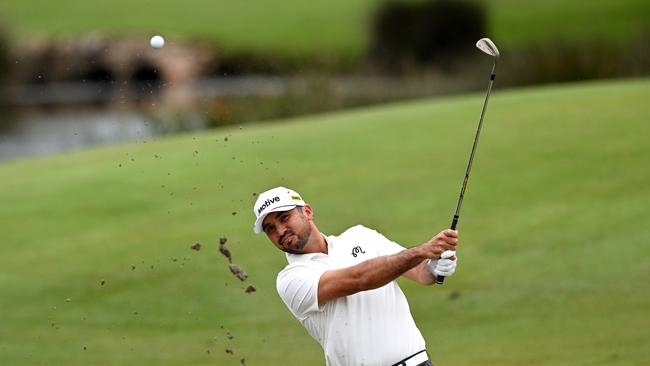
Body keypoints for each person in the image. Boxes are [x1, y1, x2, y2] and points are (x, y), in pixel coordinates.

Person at [252, 187, 458, 366]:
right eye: (270, 229)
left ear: (307, 212)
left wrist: (434, 267)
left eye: (284, 218)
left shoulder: (361, 236)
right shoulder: (291, 279)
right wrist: (422, 251)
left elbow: (420, 272)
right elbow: (359, 279)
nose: (280, 231)